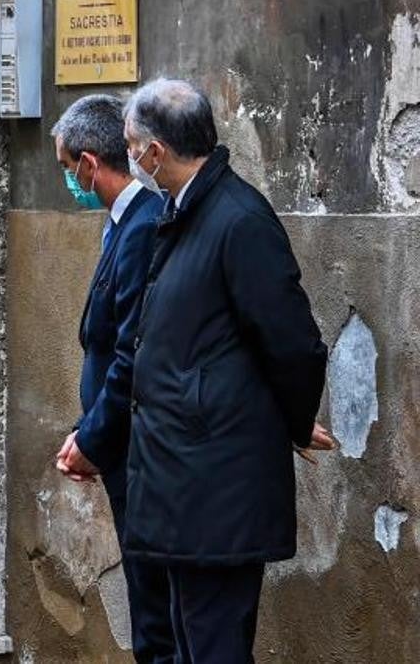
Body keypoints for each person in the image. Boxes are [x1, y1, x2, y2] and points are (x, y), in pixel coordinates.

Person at [122, 78, 332, 663]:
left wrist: (292, 421)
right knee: (189, 642)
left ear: (156, 152)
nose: (130, 158)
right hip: (185, 484)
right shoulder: (184, 211)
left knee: (213, 646)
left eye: (131, 145)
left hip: (214, 488)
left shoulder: (238, 220)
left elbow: (294, 344)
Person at [48, 95, 173, 663]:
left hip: (134, 445)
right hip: (116, 436)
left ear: (88, 164)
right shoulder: (123, 223)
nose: (67, 182)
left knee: (155, 603)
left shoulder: (143, 224)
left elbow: (130, 348)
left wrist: (94, 438)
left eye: (65, 167)